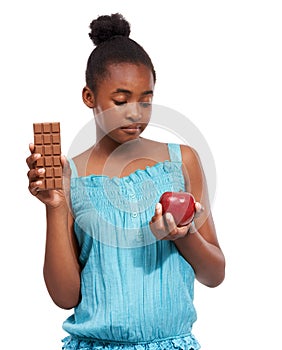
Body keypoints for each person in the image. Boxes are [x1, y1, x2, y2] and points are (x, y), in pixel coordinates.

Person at [26, 13, 225, 350]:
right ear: (89, 97)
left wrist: (183, 235)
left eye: (146, 100)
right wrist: (55, 207)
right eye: (120, 101)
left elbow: (214, 274)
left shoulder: (182, 160)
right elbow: (65, 296)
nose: (136, 113)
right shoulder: (69, 175)